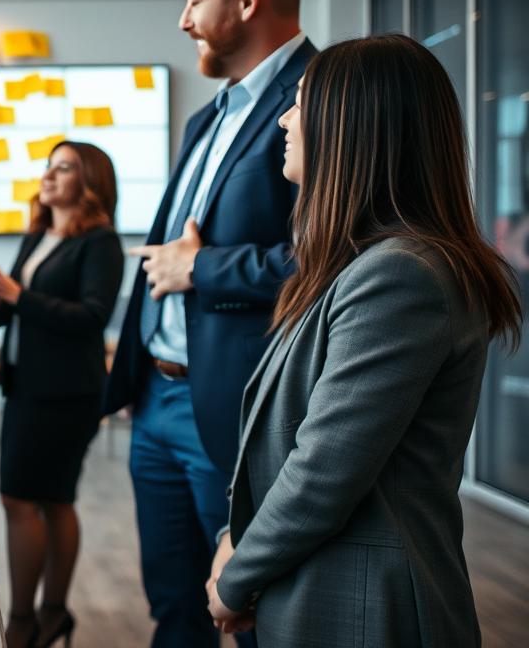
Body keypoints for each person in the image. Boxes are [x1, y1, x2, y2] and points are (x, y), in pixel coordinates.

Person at [206, 35, 521, 646]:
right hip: (317, 585)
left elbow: (323, 472)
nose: (284, 119)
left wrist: (234, 579)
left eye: (301, 102)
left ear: (354, 125)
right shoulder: (356, 264)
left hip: (364, 608)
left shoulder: (400, 274)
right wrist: (236, 540)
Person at [104, 0, 315, 648]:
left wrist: (200, 267)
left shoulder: (318, 100)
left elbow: (332, 257)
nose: (183, 17)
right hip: (158, 402)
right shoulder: (208, 115)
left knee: (255, 613)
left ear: (247, 1)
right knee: (175, 607)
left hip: (238, 407)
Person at [0, 142, 125, 648]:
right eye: (46, 165)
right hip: (26, 385)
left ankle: (27, 621)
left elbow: (92, 317)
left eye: (63, 167)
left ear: (89, 183)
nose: (48, 175)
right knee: (47, 500)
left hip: (66, 393)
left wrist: (21, 297)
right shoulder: (39, 235)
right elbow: (10, 314)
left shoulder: (100, 242)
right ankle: (51, 615)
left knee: (27, 498)